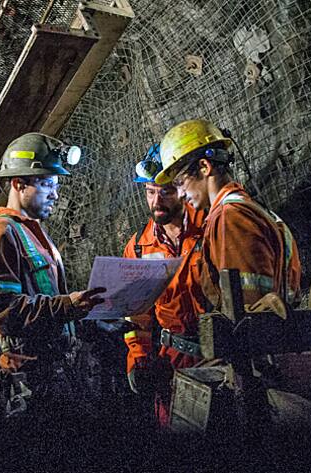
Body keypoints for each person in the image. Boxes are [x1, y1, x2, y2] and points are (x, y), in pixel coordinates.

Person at [0, 132, 105, 417]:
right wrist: (66, 305)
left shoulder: (33, 233)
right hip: (32, 380)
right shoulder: (0, 233)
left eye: (55, 185)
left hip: (57, 371)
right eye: (46, 184)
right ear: (19, 184)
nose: (55, 194)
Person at [154, 118, 301, 308]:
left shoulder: (230, 217)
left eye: (180, 182)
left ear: (204, 167)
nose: (181, 194)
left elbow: (248, 307)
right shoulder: (247, 208)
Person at [121, 143, 207, 426]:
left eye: (165, 192)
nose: (156, 201)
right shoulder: (139, 247)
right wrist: (139, 359)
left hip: (221, 353)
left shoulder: (211, 226)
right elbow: (137, 317)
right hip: (173, 361)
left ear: (182, 187)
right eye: (150, 192)